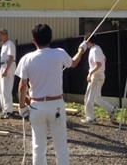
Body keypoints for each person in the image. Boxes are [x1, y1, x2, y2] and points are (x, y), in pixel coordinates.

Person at [15, 23, 86, 165]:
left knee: (38, 147)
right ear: (50, 38)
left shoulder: (27, 58)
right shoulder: (59, 53)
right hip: (56, 105)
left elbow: (22, 86)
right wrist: (81, 50)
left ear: (33, 39)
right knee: (60, 146)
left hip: (36, 107)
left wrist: (22, 106)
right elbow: (73, 63)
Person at [81, 36, 116, 124]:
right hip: (100, 75)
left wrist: (90, 73)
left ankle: (90, 118)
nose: (85, 43)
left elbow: (99, 64)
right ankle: (111, 109)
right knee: (96, 97)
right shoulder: (98, 48)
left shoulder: (94, 50)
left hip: (96, 76)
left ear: (88, 41)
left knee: (88, 97)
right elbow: (104, 59)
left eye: (85, 41)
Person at [0, 28, 16, 119]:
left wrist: (6, 70)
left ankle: (8, 111)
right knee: (1, 90)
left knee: (6, 90)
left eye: (0, 35)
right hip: (3, 66)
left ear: (5, 35)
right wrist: (0, 72)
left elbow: (11, 58)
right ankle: (5, 110)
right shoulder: (4, 45)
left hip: (8, 66)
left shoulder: (10, 44)